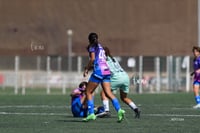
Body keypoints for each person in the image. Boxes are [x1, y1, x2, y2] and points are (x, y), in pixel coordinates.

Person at [83, 32, 125, 122]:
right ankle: (119, 110)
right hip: (106, 70)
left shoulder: (92, 46)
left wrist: (87, 68)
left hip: (99, 71)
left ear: (89, 40)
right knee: (108, 93)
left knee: (88, 92)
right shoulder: (100, 46)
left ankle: (91, 114)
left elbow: (93, 59)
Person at [99, 47, 140, 118]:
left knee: (103, 93)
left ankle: (107, 111)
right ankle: (136, 109)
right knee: (124, 97)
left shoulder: (103, 61)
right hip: (125, 76)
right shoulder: (113, 58)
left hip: (117, 77)